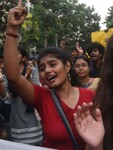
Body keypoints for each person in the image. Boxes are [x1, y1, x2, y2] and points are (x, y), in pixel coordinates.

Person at [4, 1, 95, 150]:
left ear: (67, 66)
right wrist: (12, 29)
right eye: (42, 68)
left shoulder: (91, 97)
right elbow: (13, 77)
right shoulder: (41, 97)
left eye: (52, 64)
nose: (46, 70)